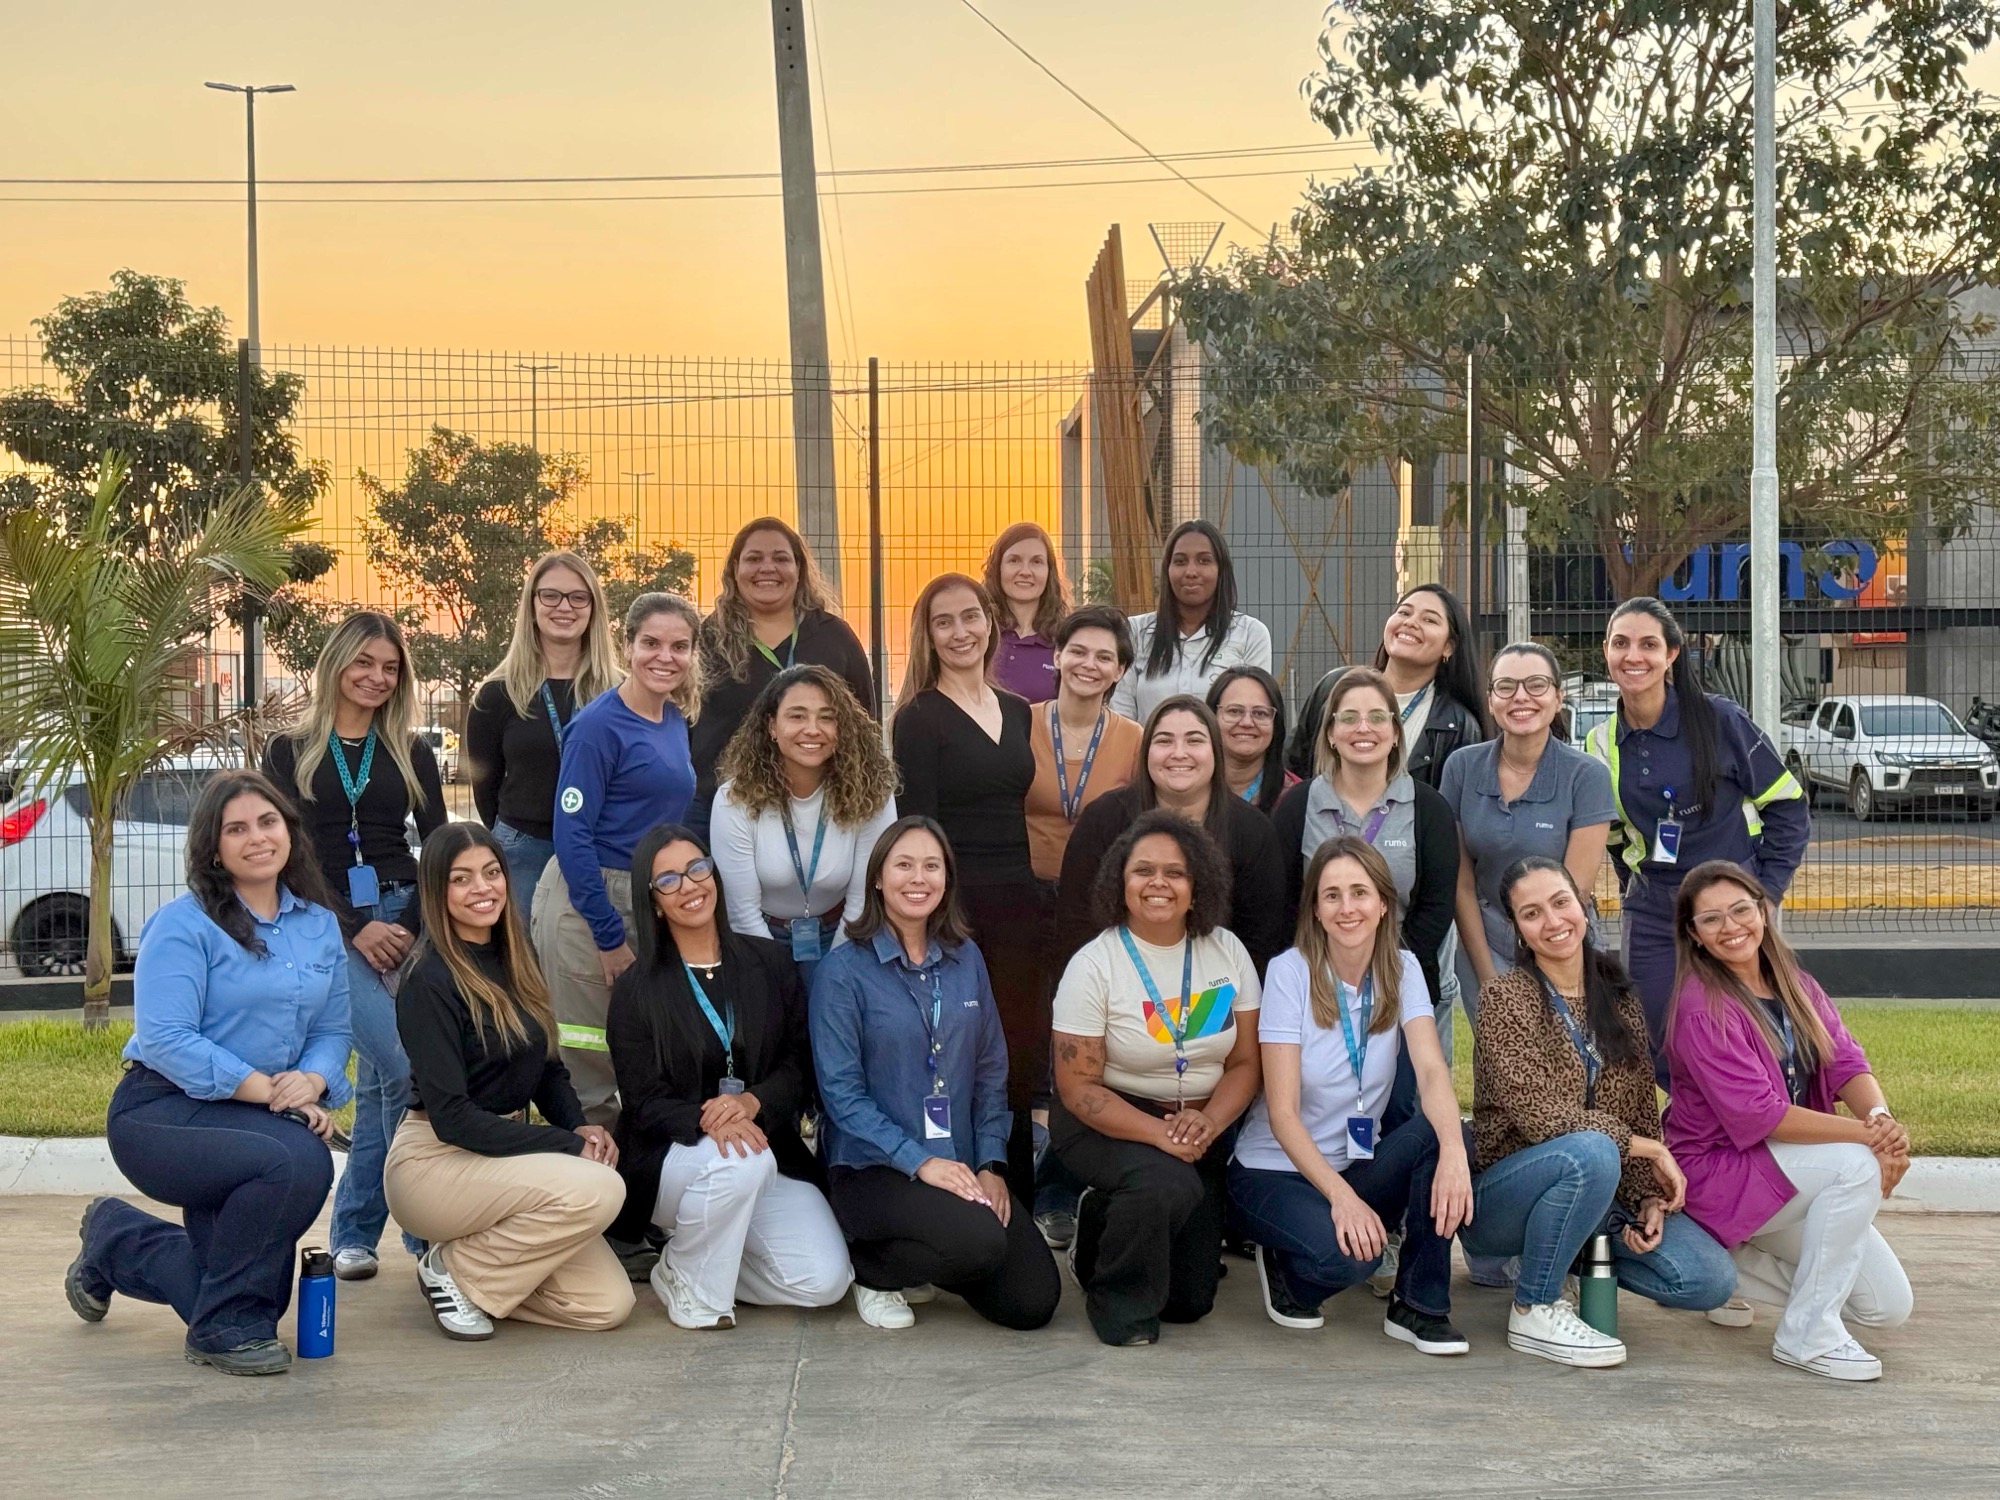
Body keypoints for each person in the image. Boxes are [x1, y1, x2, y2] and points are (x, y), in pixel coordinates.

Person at [65, 772, 349, 1376]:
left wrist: (314, 1082)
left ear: (289, 832)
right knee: (298, 1161)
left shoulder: (318, 925)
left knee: (246, 1298)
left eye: (268, 823)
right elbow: (167, 1038)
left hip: (254, 1115)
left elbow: (332, 1032)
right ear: (213, 847)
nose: (256, 839)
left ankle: (117, 1238)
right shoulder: (184, 922)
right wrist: (270, 1091)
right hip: (163, 1111)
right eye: (236, 829)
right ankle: (220, 1332)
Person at [1464, 857, 1739, 1369]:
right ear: (1518, 930)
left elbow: (1638, 1109)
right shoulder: (1505, 996)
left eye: (1561, 902)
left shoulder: (1618, 996)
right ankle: (1534, 1306)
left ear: (1583, 903)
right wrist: (1648, 1149)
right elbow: (1539, 1114)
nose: (1552, 921)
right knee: (1588, 1151)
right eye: (1531, 913)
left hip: (1602, 1189)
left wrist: (1648, 1199)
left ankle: (1577, 1251)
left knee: (1708, 1278)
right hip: (1508, 1197)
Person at [383, 824, 634, 1340]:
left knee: (606, 1305)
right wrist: (565, 1145)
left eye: (492, 873)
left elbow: (546, 1068)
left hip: (501, 1158)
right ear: (436, 890)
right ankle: (452, 1273)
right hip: (435, 1160)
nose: (483, 888)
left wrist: (579, 1126)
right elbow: (452, 1118)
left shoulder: (518, 959)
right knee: (601, 1187)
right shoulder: (427, 980)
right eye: (461, 879)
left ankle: (466, 1268)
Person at [810, 817, 1062, 1331]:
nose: (918, 877)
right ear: (877, 878)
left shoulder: (966, 957)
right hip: (873, 1171)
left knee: (1033, 1301)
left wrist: (991, 1162)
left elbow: (992, 1068)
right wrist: (920, 1161)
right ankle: (874, 1269)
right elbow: (843, 1097)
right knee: (979, 1241)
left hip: (961, 1165)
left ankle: (940, 1248)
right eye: (903, 865)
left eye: (931, 865)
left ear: (947, 878)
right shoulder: (843, 972)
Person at [1666, 860, 1913, 1382]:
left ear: (1763, 909)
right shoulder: (1701, 1007)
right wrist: (1873, 1141)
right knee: (1854, 1165)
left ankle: (1724, 1269)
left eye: (1740, 910)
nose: (1731, 927)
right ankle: (1808, 1334)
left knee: (1887, 1307)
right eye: (1711, 920)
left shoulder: (1795, 984)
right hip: (1716, 1172)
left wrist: (1880, 1117)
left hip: (1781, 1173)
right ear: (1694, 935)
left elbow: (1846, 1061)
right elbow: (1759, 1114)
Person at [1227, 837, 1472, 1354]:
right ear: (1315, 909)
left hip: (1354, 1164)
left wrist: (1452, 1152)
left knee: (1449, 1133)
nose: (1347, 908)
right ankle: (1286, 1271)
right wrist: (1342, 1200)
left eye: (1359, 892)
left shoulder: (1403, 971)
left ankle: (1418, 1305)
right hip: (1277, 1169)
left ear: (1384, 904)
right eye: (1331, 894)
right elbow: (1283, 1113)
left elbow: (1431, 1071)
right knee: (1353, 1259)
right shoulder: (1289, 973)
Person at [607, 825, 852, 1330]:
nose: (690, 886)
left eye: (698, 869)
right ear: (652, 901)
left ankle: (687, 1265)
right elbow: (641, 1100)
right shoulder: (637, 988)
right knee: (743, 1161)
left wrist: (754, 1103)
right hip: (673, 1159)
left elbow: (799, 1065)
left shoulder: (769, 963)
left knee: (824, 1282)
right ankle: (698, 1293)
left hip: (765, 1152)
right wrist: (712, 1119)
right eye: (669, 880)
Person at [263, 610, 446, 1281]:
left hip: (408, 920)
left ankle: (355, 1234)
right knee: (399, 1070)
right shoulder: (289, 752)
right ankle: (421, 1231)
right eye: (364, 662)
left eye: (390, 667)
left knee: (380, 1086)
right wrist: (353, 927)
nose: (376, 677)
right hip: (328, 926)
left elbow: (440, 846)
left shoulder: (411, 749)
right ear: (337, 664)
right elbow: (288, 855)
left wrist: (423, 929)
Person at [1051, 811, 1262, 1346]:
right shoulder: (1095, 964)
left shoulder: (1227, 952)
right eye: (1143, 871)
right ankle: (1115, 1302)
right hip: (1110, 1118)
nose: (1159, 884)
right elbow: (1078, 1089)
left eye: (1175, 872)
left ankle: (1101, 1220)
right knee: (1162, 1182)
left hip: (1199, 1123)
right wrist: (1161, 1135)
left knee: (1190, 1301)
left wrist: (1208, 1122)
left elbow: (1244, 1064)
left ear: (1198, 885)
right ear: (1121, 884)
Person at [1584, 597, 1810, 1073]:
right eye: (1621, 644)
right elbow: (1614, 837)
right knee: (1654, 1041)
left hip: (1728, 904)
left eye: (1649, 644)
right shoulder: (1598, 742)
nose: (1633, 656)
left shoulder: (1720, 719)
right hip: (1653, 911)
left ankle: (1757, 1131)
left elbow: (1788, 805)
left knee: (1750, 1036)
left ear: (1671, 654)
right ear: (1606, 651)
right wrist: (1635, 893)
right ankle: (1686, 1139)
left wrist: (1765, 892)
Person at [892, 573, 1045, 1190]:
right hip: (957, 911)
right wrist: (932, 919)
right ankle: (948, 1188)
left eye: (970, 617)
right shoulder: (918, 718)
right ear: (927, 635)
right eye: (943, 621)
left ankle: (1013, 1191)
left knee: (1013, 1056)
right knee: (951, 1054)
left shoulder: (1016, 711)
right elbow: (917, 829)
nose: (960, 632)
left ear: (990, 622)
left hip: (1020, 908)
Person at [536, 592, 701, 1128]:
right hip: (590, 902)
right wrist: (607, 935)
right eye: (650, 643)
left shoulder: (672, 718)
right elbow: (572, 834)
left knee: (637, 1050)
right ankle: (592, 1197)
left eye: (679, 646)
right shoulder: (597, 727)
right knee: (589, 1059)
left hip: (644, 896)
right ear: (626, 646)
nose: (664, 656)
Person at [1440, 642, 1615, 1028]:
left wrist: (1548, 962)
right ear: (1490, 700)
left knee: (1566, 1056)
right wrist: (1488, 977)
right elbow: (1462, 884)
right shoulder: (1462, 768)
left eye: (1536, 685)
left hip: (1561, 932)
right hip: (1483, 936)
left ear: (1557, 697)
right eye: (1506, 686)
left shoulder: (1586, 775)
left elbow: (1574, 891)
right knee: (1503, 1065)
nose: (1521, 696)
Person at [1056, 696, 1288, 980]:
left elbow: (1259, 940)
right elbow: (1076, 923)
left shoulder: (1252, 831)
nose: (1179, 753)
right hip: (1117, 986)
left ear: (1215, 750)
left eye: (1194, 741)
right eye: (1164, 741)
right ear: (1146, 752)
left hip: (1214, 994)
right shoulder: (1103, 819)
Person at [1270, 668, 1457, 1011]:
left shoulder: (1429, 809)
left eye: (1377, 717)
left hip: (1401, 984)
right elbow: (1282, 905)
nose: (1363, 728)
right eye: (1349, 718)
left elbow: (1435, 908)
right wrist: (1325, 968)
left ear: (1396, 734)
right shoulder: (1298, 807)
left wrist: (1384, 969)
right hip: (1316, 987)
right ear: (1330, 733)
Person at [710, 665, 899, 986]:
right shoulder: (734, 798)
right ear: (771, 725)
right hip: (760, 938)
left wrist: (833, 974)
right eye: (797, 716)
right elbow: (742, 913)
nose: (813, 729)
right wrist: (779, 978)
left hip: (847, 933)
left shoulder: (872, 793)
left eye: (827, 717)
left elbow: (863, 899)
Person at [690, 517, 874, 840]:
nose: (767, 567)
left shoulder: (835, 637)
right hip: (726, 813)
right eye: (754, 558)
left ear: (799, 569)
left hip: (819, 815)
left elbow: (864, 726)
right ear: (735, 569)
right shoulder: (708, 639)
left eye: (780, 558)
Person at [464, 551, 621, 929]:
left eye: (577, 597)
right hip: (524, 851)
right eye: (550, 595)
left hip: (603, 850)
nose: (563, 607)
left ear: (593, 607)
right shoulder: (497, 694)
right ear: (532, 604)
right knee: (526, 973)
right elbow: (485, 786)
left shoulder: (621, 693)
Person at [1285, 583, 1488, 790]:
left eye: (1429, 620)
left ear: (1449, 647)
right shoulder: (1334, 687)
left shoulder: (1458, 725)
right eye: (1404, 612)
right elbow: (1292, 768)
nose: (1410, 622)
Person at [1110, 519, 1272, 723]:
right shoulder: (1134, 632)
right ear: (1167, 570)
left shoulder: (1250, 633)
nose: (1191, 572)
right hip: (1148, 754)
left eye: (1204, 561)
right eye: (1180, 561)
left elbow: (1253, 717)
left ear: (1221, 569)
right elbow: (1122, 719)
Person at [1024, 605, 1142, 883]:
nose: (1089, 664)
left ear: (1119, 671)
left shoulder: (1134, 739)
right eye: (1078, 652)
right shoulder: (1020, 724)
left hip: (1098, 891)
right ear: (1057, 656)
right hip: (1026, 890)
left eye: (1104, 657)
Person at [983, 520, 1071, 704]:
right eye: (1014, 560)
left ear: (1049, 572)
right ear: (998, 568)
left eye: (1036, 562)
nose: (1025, 571)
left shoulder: (1066, 642)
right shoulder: (979, 634)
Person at [1207, 666, 1298, 814]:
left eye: (1260, 713)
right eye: (1234, 711)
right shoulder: (1187, 790)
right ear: (1211, 716)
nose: (1247, 722)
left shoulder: (1296, 798)